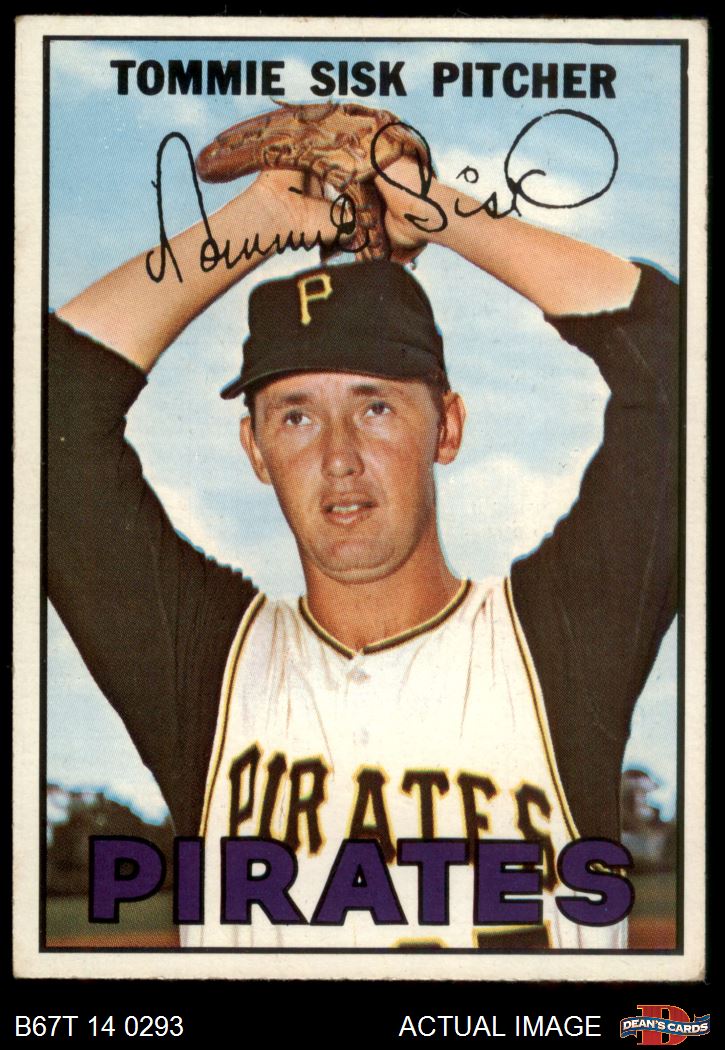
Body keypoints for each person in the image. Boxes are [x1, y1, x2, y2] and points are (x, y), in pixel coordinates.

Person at [48, 155, 678, 950]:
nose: (338, 457)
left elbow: (677, 361)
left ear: (447, 427)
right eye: (295, 416)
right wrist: (259, 222)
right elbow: (45, 403)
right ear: (255, 450)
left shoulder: (558, 643)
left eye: (375, 407)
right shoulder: (205, 669)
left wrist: (438, 212)